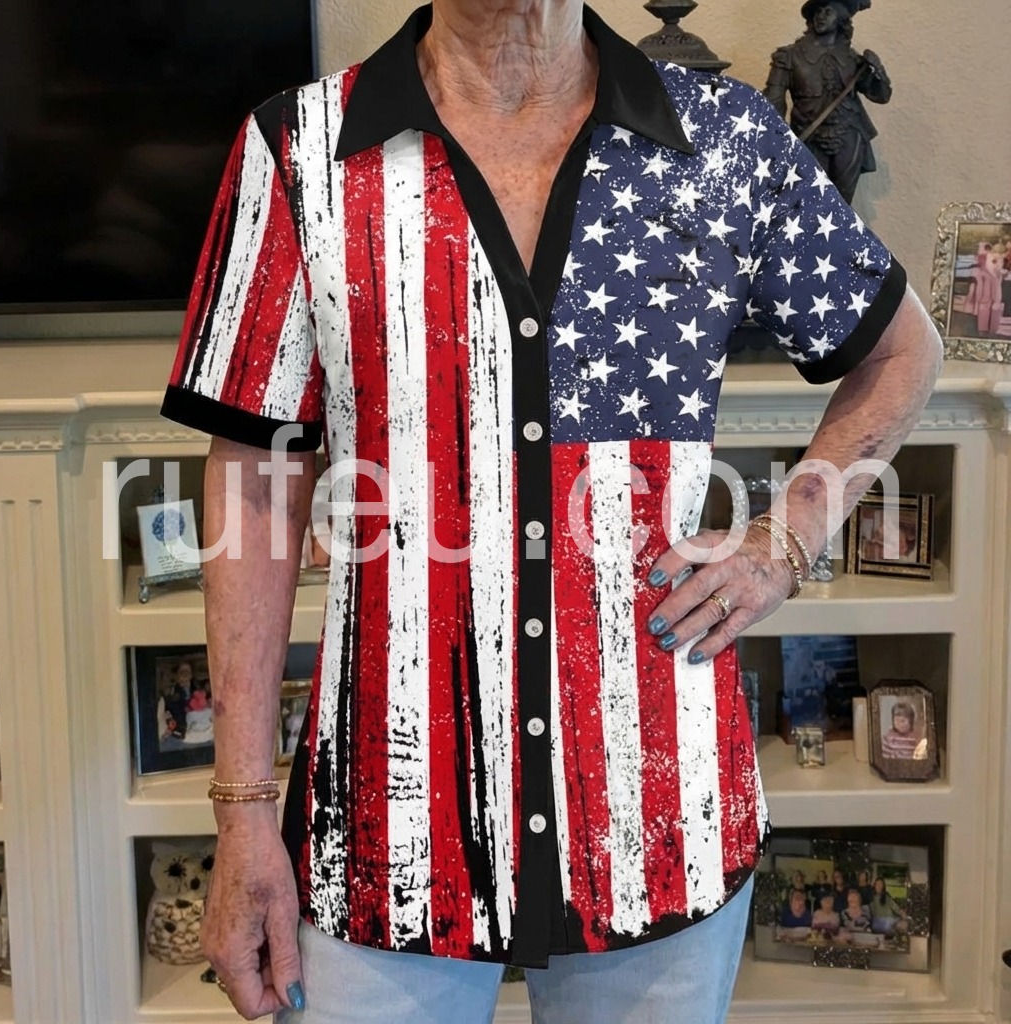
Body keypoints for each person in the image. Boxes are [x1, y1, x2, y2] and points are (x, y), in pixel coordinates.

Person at [159, 1, 943, 1021]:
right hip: (388, 828)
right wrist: (242, 815)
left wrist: (786, 537)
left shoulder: (723, 140)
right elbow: (257, 481)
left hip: (654, 820)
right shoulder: (298, 150)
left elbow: (902, 351)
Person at [764, 0, 892, 203]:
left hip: (848, 137)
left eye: (828, 12)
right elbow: (774, 102)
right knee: (808, 206)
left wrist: (879, 71)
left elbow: (881, 96)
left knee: (843, 207)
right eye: (818, 11)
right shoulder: (788, 56)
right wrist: (774, 142)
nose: (821, 16)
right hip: (808, 137)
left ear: (841, 19)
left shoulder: (852, 59)